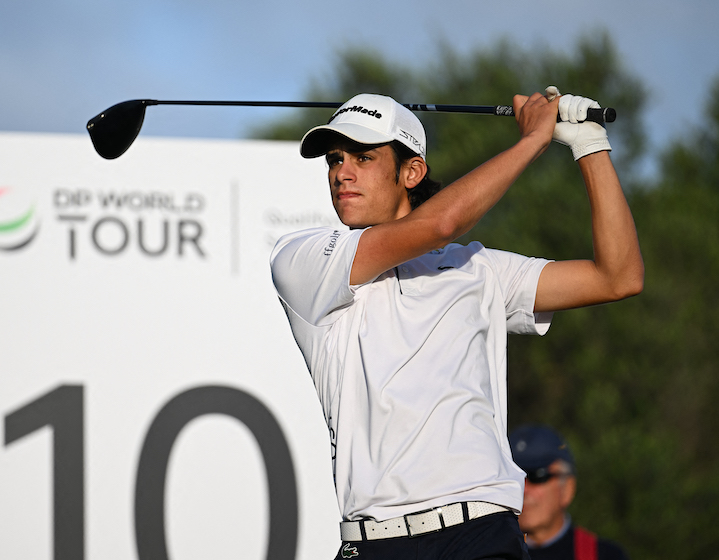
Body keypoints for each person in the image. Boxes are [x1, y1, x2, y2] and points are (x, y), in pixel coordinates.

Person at [269, 88, 644, 560]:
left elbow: (619, 276)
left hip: (481, 536)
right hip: (375, 543)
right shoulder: (303, 262)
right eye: (335, 159)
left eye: (363, 158)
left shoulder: (479, 268)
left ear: (412, 171)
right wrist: (532, 141)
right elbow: (442, 222)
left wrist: (590, 146)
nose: (342, 173)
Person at [510, 424, 630, 560]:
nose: (524, 489)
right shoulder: (487, 553)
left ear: (567, 487)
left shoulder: (605, 556)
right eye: (513, 479)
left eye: (537, 476)